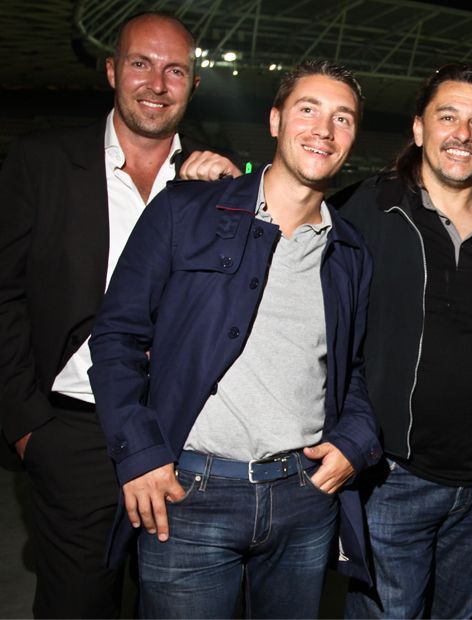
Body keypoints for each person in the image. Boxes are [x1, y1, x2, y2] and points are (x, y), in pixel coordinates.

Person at [87, 59, 380, 618]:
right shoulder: (185, 210)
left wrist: (356, 439)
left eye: (342, 118)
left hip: (304, 499)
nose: (324, 129)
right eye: (308, 110)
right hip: (188, 496)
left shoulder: (350, 251)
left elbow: (355, 368)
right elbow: (117, 337)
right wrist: (140, 454)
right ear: (275, 120)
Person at [0, 11, 239, 618]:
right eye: (141, 64)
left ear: (193, 84)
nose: (157, 84)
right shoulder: (43, 161)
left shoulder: (217, 178)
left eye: (175, 70)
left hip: (183, 435)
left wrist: (231, 196)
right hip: (74, 435)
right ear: (111, 71)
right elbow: (3, 295)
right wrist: (29, 429)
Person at [330, 63, 472, 618]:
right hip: (392, 478)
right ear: (419, 128)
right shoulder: (363, 209)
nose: (462, 134)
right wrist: (217, 178)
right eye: (447, 117)